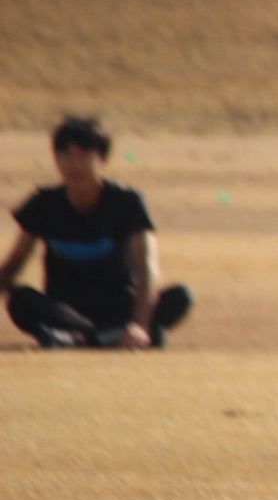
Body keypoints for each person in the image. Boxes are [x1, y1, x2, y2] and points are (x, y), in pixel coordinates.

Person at [5, 116, 193, 350]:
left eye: (83, 156)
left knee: (180, 297)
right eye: (66, 156)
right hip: (64, 309)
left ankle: (80, 338)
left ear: (102, 158)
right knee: (20, 300)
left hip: (118, 305)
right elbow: (13, 264)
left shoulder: (126, 202)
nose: (74, 165)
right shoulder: (44, 203)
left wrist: (140, 324)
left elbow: (147, 267)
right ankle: (97, 336)